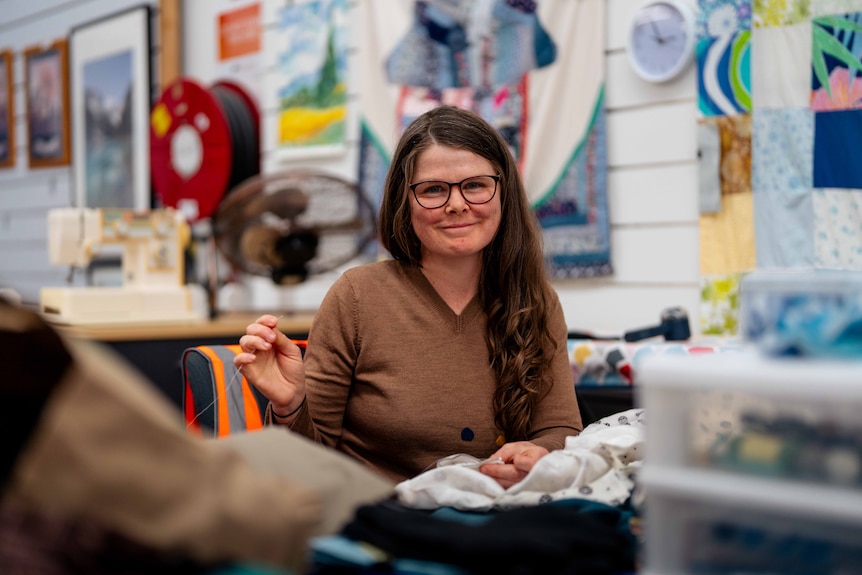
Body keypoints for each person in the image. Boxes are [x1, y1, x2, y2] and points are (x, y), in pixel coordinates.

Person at [236, 105, 583, 487]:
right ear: (405, 202)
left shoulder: (536, 301)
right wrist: (291, 406)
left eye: (475, 185)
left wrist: (537, 457)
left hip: (500, 511)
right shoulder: (356, 298)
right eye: (433, 189)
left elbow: (561, 431)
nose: (457, 204)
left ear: (504, 192)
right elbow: (307, 465)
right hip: (379, 514)